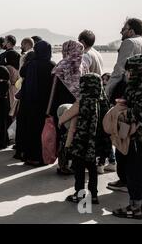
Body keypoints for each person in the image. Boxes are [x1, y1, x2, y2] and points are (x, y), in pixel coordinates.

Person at [106, 18, 142, 192]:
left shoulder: (129, 42)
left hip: (127, 92)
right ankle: (139, 182)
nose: (121, 32)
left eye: (123, 28)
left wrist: (107, 93)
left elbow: (119, 70)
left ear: (130, 30)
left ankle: (125, 179)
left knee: (123, 134)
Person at [112, 55, 142, 219]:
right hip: (135, 136)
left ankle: (135, 208)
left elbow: (140, 114)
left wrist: (119, 112)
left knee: (135, 173)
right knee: (141, 172)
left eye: (130, 70)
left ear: (138, 71)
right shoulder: (134, 86)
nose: (127, 73)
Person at [65, 74, 104, 205]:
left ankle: (79, 194)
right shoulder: (102, 101)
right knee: (93, 169)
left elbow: (67, 118)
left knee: (80, 168)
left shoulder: (82, 102)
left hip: (81, 141)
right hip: (96, 142)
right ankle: (93, 195)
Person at [51, 40, 87, 174]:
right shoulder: (83, 64)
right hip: (79, 106)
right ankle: (74, 164)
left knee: (63, 135)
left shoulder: (62, 65)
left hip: (62, 106)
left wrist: (49, 110)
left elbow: (54, 89)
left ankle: (63, 165)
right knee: (76, 134)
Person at [16, 41, 55, 164]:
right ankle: (42, 157)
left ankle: (30, 156)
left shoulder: (30, 64)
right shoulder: (52, 65)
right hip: (45, 104)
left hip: (29, 103)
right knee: (42, 131)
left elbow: (21, 73)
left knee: (30, 129)